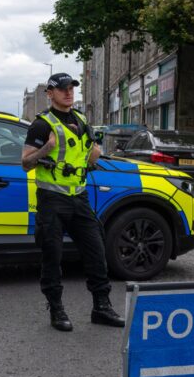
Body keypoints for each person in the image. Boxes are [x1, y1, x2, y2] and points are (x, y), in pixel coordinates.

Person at [21, 73, 125, 332]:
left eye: (71, 88)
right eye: (63, 89)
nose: (69, 92)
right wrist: (46, 148)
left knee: (96, 251)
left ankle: (101, 307)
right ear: (50, 93)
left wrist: (95, 153)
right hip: (52, 200)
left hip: (79, 197)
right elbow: (25, 163)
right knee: (52, 255)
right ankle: (56, 309)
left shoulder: (81, 120)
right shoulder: (42, 124)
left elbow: (90, 156)